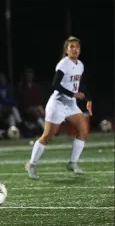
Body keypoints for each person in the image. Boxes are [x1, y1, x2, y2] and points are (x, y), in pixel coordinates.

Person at [26, 36, 92, 179]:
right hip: (58, 103)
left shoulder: (80, 65)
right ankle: (31, 164)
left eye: (77, 47)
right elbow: (55, 85)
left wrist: (88, 99)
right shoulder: (63, 64)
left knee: (83, 130)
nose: (75, 49)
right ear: (66, 50)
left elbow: (81, 85)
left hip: (71, 104)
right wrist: (73, 94)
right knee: (48, 136)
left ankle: (72, 163)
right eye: (71, 47)